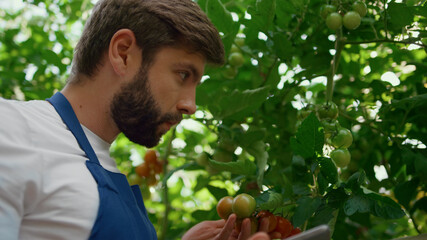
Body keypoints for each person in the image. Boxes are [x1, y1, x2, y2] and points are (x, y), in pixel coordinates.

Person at [0, 0, 271, 239]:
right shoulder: (12, 129)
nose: (191, 106)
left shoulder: (101, 163)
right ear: (124, 53)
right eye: (183, 75)